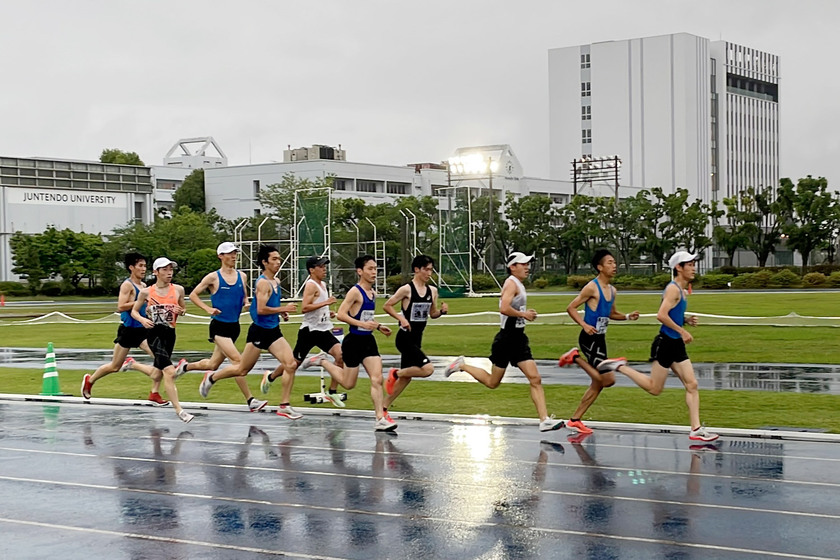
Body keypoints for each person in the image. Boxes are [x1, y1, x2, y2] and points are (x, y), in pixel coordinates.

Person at [445, 252, 565, 433]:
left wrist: (524, 312)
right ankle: (462, 365)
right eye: (523, 264)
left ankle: (544, 420)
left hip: (519, 338)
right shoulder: (511, 283)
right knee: (493, 383)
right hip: (506, 339)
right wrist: (524, 314)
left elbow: (513, 307)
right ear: (512, 266)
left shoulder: (519, 284)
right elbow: (504, 308)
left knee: (535, 378)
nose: (527, 267)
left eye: (528, 264)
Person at [615, 251, 719, 442]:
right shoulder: (673, 289)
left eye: (694, 263)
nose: (693, 267)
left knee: (692, 384)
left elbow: (672, 314)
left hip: (676, 344)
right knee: (655, 389)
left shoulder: (681, 289)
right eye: (689, 264)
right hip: (665, 343)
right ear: (678, 268)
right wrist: (682, 331)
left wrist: (685, 320)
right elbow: (661, 315)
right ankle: (619, 367)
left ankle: (695, 429)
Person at [199, 245, 300, 419]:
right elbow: (260, 309)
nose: (278, 262)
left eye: (279, 259)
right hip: (259, 332)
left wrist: (280, 311)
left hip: (273, 330)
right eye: (274, 259)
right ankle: (212, 377)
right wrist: (284, 308)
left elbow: (269, 305)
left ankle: (284, 405)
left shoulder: (276, 282)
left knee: (290, 364)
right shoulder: (262, 282)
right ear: (264, 262)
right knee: (242, 369)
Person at [176, 242, 267, 412]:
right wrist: (208, 309)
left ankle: (185, 367)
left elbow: (244, 297)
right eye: (229, 253)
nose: (233, 256)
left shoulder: (242, 276)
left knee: (212, 364)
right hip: (219, 327)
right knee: (239, 363)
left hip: (234, 326)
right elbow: (194, 295)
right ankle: (250, 400)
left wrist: (246, 303)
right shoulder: (213, 277)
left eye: (234, 253)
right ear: (220, 256)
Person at [558, 249, 641, 434]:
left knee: (599, 384)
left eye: (614, 263)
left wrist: (628, 316)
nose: (614, 266)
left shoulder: (612, 290)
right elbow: (570, 308)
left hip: (600, 339)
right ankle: (575, 357)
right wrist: (584, 325)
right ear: (600, 267)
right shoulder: (591, 287)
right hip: (589, 338)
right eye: (610, 263)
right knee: (607, 379)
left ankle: (575, 420)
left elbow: (612, 314)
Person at [81, 252, 168, 405]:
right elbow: (121, 306)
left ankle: (154, 393)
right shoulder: (127, 285)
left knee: (161, 359)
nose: (143, 269)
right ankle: (90, 380)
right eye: (140, 266)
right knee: (114, 367)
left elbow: (144, 307)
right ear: (131, 268)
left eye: (145, 266)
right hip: (128, 330)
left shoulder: (144, 286)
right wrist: (141, 300)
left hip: (143, 330)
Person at [260, 255, 345, 407]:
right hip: (309, 332)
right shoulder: (311, 285)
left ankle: (332, 392)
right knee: (294, 363)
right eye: (321, 266)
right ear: (312, 270)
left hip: (323, 330)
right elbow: (305, 307)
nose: (324, 269)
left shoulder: (323, 285)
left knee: (341, 356)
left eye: (325, 266)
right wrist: (327, 302)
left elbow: (318, 305)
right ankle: (271, 377)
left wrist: (327, 312)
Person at [381, 254, 448, 414]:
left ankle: (383, 407)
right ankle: (395, 373)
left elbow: (432, 314)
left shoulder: (432, 291)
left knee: (407, 378)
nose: (429, 273)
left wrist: (441, 312)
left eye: (431, 270)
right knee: (427, 369)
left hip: (417, 338)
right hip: (404, 338)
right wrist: (400, 318)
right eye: (426, 270)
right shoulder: (406, 289)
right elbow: (387, 306)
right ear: (417, 270)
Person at [335, 254, 395, 431]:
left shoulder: (373, 293)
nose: (374, 272)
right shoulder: (355, 291)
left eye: (375, 269)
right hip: (353, 342)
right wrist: (362, 324)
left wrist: (378, 326)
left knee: (377, 379)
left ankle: (379, 418)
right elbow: (341, 314)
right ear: (360, 271)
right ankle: (321, 361)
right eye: (370, 269)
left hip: (368, 341)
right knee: (348, 384)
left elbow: (367, 318)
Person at [131, 257, 192, 422]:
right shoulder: (146, 292)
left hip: (170, 334)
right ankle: (179, 410)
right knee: (169, 371)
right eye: (165, 270)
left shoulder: (178, 289)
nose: (169, 272)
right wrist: (143, 320)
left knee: (157, 372)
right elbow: (134, 311)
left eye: (171, 269)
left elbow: (183, 309)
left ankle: (132, 364)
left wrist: (181, 311)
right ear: (156, 272)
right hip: (153, 333)